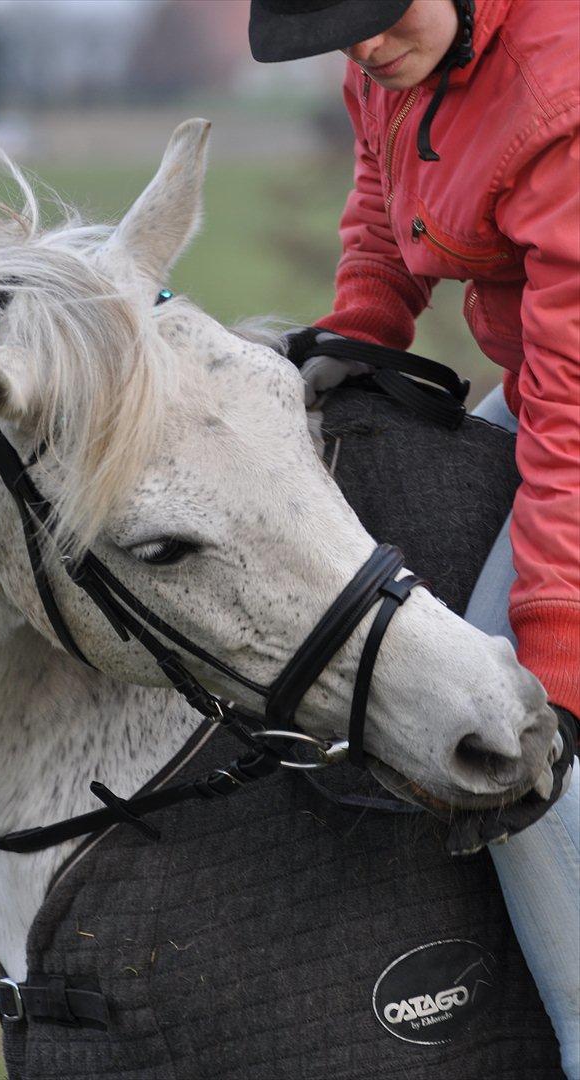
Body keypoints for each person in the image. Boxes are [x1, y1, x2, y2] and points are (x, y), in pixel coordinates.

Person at [248, 1, 579, 1075]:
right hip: (536, 389)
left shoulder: (559, 92)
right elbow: (380, 205)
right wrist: (361, 327)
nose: (365, 46)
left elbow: (574, 410)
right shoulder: (392, 60)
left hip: (567, 403)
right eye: (340, 29)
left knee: (503, 714)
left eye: (378, 13)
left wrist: (556, 653)